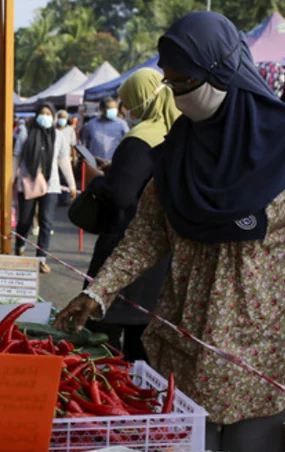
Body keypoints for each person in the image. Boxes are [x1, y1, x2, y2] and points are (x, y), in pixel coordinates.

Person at [54, 13, 285, 452]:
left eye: (186, 80)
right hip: (187, 347)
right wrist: (97, 294)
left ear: (223, 70)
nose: (178, 92)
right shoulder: (175, 152)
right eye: (170, 81)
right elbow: (145, 236)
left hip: (265, 358)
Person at [80, 68, 179, 362]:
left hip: (129, 249)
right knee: (144, 348)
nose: (128, 110)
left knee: (100, 343)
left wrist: (98, 179)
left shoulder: (140, 139)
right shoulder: (178, 133)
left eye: (130, 101)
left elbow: (122, 195)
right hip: (164, 255)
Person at [13, 103, 76, 272]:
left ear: (54, 116)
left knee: (46, 222)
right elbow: (17, 157)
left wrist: (72, 185)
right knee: (24, 221)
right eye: (42, 113)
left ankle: (41, 258)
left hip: (51, 185)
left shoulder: (59, 136)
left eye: (48, 113)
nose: (45, 116)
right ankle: (19, 246)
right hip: (27, 183)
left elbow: (64, 160)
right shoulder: (25, 133)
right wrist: (10, 180)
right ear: (36, 115)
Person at [79, 96, 129, 161]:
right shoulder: (90, 125)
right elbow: (84, 142)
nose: (114, 110)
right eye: (110, 108)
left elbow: (127, 143)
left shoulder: (122, 124)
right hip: (95, 164)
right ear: (101, 109)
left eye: (115, 108)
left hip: (115, 163)